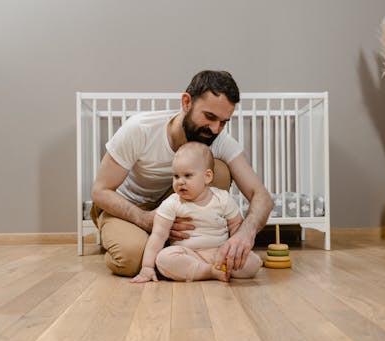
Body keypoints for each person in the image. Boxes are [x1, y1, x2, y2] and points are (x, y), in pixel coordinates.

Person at [90, 70, 273, 277]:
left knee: (218, 170)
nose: (215, 129)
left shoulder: (220, 140)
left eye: (223, 122)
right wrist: (144, 219)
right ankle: (131, 242)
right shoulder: (140, 129)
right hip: (130, 208)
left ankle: (185, 253)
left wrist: (245, 234)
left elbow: (262, 196)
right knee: (133, 259)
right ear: (186, 103)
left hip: (175, 209)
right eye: (209, 117)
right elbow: (100, 191)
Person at [131, 142, 263, 282]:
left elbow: (236, 226)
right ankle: (208, 271)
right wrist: (147, 267)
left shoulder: (222, 199)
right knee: (164, 258)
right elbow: (158, 236)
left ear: (207, 176)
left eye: (187, 175)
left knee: (251, 263)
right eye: (176, 176)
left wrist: (235, 251)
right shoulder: (172, 203)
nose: (180, 182)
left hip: (220, 252)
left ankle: (217, 268)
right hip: (189, 255)